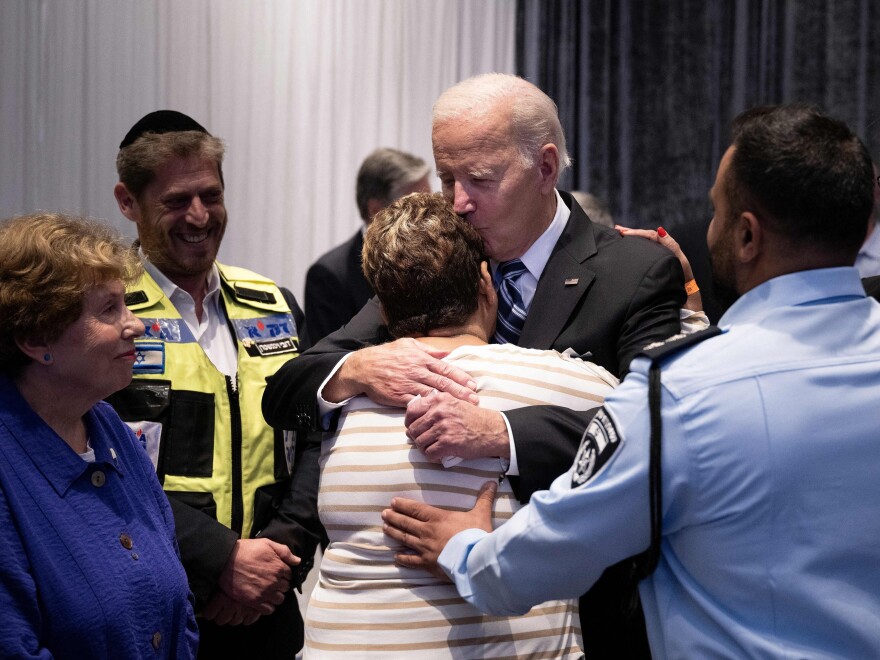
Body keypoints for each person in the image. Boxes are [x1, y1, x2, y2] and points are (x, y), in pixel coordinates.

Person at [382, 104, 880, 658]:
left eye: (714, 211)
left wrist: (463, 550)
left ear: (745, 236)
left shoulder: (682, 392)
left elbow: (546, 556)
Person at [264, 73, 684, 656]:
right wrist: (358, 369)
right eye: (445, 178)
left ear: (545, 167)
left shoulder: (632, 272)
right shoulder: (444, 257)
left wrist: (504, 432)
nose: (458, 203)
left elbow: (661, 437)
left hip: (577, 618)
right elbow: (286, 389)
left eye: (479, 179)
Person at [305, 192, 616, 657]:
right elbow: (666, 419)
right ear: (484, 283)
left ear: (384, 312)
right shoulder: (561, 379)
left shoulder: (342, 400)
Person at [108, 110, 323, 659]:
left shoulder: (273, 305)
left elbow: (316, 441)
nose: (199, 216)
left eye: (211, 195)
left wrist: (277, 556)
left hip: (270, 606)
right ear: (128, 203)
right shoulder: (104, 317)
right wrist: (221, 560)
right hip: (157, 608)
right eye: (177, 201)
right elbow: (99, 468)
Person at [0, 213, 199, 659]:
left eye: (126, 304)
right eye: (109, 309)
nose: (136, 325)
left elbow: (178, 609)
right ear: (37, 338)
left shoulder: (109, 427)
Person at [303, 148, 432, 345]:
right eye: (415, 206)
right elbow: (324, 363)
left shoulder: (436, 258)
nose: (430, 215)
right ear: (376, 210)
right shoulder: (328, 276)